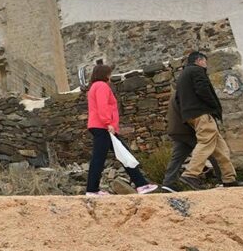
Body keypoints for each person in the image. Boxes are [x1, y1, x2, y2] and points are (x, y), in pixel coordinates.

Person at [84, 64, 158, 196]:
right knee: (102, 158)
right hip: (104, 127)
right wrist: (108, 123)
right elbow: (103, 106)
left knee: (122, 155)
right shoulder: (101, 86)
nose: (110, 76)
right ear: (104, 74)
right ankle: (92, 190)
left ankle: (141, 184)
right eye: (109, 74)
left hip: (100, 126)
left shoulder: (94, 87)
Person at [177, 51, 243, 190]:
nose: (206, 65)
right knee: (206, 141)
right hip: (202, 113)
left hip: (191, 114)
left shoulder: (183, 75)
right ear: (200, 60)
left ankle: (229, 178)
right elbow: (203, 90)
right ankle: (190, 173)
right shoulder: (197, 71)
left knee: (221, 148)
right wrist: (214, 107)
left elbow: (178, 99)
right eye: (205, 62)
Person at [161, 96, 221, 192]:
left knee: (177, 158)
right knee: (210, 150)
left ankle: (168, 183)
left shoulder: (175, 95)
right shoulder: (185, 93)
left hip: (176, 130)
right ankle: (222, 179)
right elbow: (191, 112)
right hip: (187, 130)